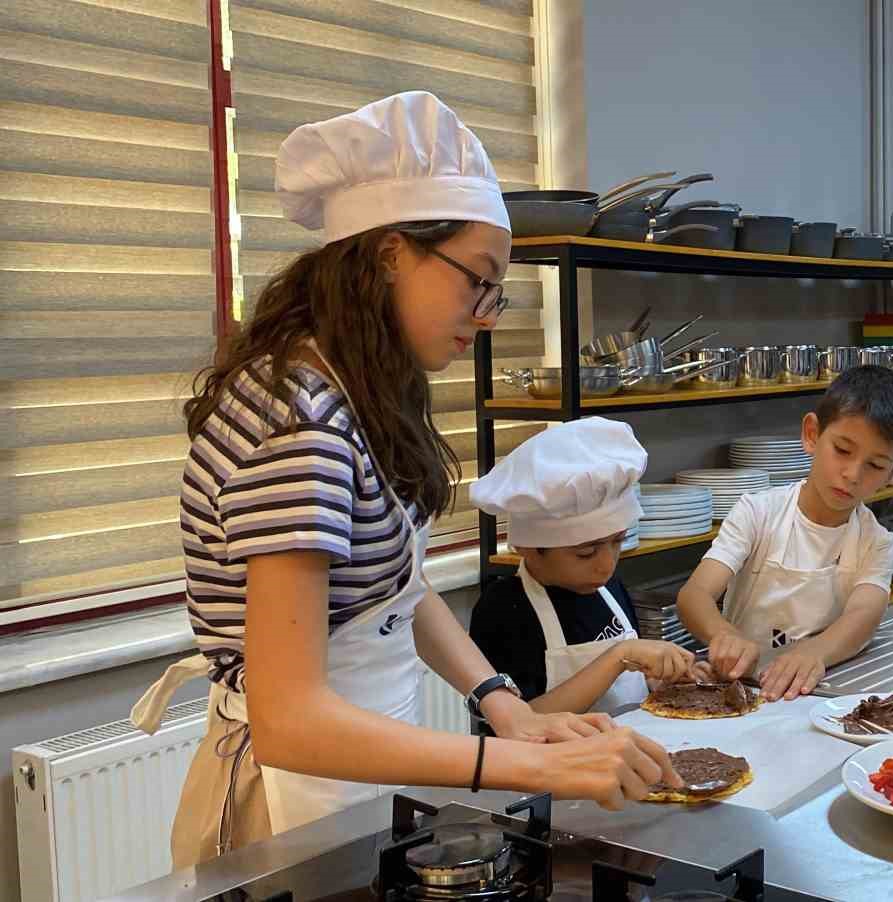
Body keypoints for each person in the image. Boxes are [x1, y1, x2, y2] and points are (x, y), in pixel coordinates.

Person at [132, 92, 678, 869]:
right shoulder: (300, 426)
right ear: (390, 254)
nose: (487, 315)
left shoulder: (354, 394)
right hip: (293, 791)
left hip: (355, 781)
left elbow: (395, 590)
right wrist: (519, 762)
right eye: (477, 282)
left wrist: (504, 706)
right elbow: (290, 719)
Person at [676, 366, 893, 701]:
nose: (851, 474)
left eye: (875, 466)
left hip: (818, 695)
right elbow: (694, 595)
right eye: (843, 450)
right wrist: (723, 635)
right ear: (812, 435)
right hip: (742, 689)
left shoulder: (876, 542)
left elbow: (864, 615)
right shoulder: (758, 514)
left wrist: (814, 653)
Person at [468, 418, 698, 718]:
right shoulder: (503, 610)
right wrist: (618, 657)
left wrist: (660, 678)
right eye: (585, 553)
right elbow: (521, 722)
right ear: (527, 548)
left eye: (617, 542)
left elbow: (627, 689)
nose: (606, 566)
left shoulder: (610, 591)